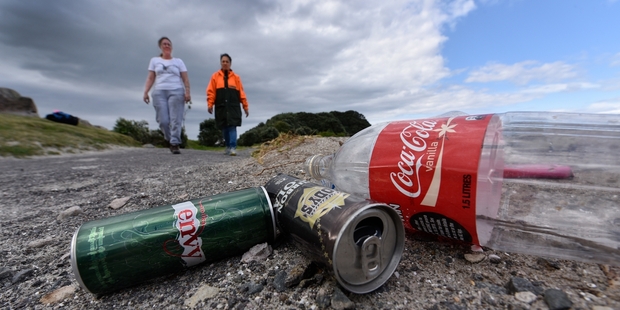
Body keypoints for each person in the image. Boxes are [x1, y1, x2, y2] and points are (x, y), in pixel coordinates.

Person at [143, 36, 191, 155]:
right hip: (159, 92)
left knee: (176, 119)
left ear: (172, 46)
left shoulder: (178, 62)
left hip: (176, 91)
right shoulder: (154, 61)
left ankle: (174, 143)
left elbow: (185, 78)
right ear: (160, 46)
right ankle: (170, 139)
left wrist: (187, 92)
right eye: (164, 44)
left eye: (168, 44)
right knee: (163, 120)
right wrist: (146, 92)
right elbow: (150, 77)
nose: (167, 46)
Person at [206, 53, 249, 156]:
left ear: (230, 63)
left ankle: (233, 147)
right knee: (224, 126)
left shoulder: (236, 78)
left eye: (227, 62)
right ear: (221, 63)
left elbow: (241, 93)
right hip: (221, 105)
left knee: (232, 126)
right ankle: (228, 146)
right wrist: (210, 104)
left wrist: (245, 106)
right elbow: (211, 91)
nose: (225, 63)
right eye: (223, 61)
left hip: (233, 105)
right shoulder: (215, 77)